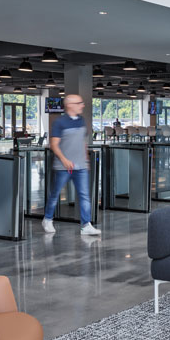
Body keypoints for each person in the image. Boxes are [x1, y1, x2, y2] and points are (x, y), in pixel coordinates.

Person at [42, 94, 101, 235]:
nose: (83, 105)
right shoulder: (60, 122)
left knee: (85, 195)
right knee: (55, 193)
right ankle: (48, 219)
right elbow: (54, 145)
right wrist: (64, 160)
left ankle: (86, 225)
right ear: (70, 105)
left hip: (80, 166)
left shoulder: (81, 120)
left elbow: (82, 142)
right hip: (63, 167)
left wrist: (85, 159)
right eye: (79, 103)